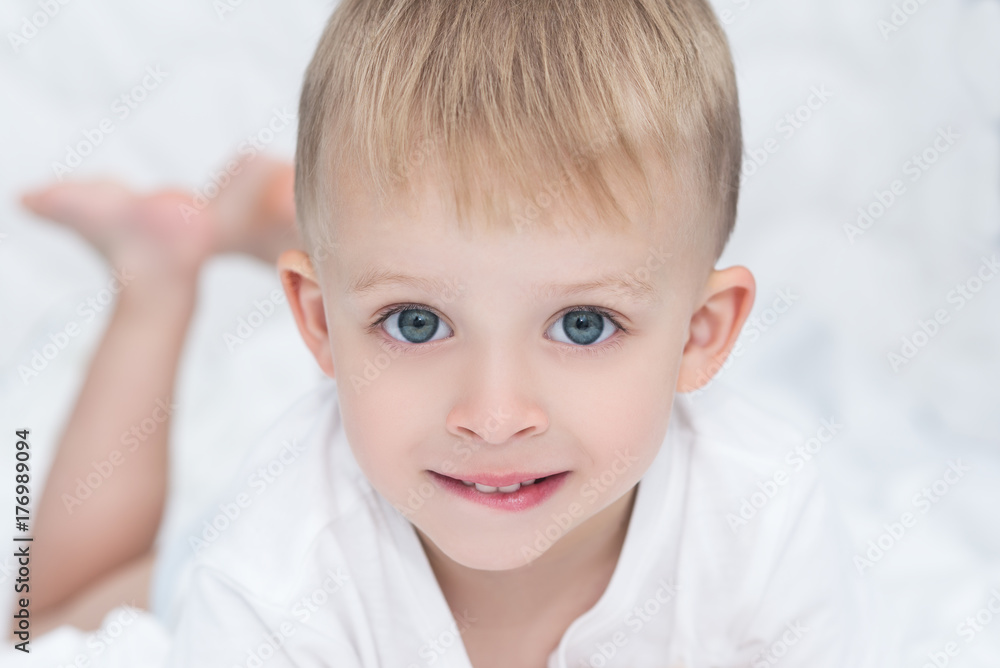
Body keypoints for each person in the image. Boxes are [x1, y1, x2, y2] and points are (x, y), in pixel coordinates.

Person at [25, 0, 877, 665]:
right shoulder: (270, 573)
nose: (493, 414)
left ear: (700, 334)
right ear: (320, 324)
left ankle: (300, 219)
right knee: (42, 619)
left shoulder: (761, 520)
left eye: (583, 325)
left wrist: (410, 301)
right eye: (417, 321)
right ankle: (155, 273)